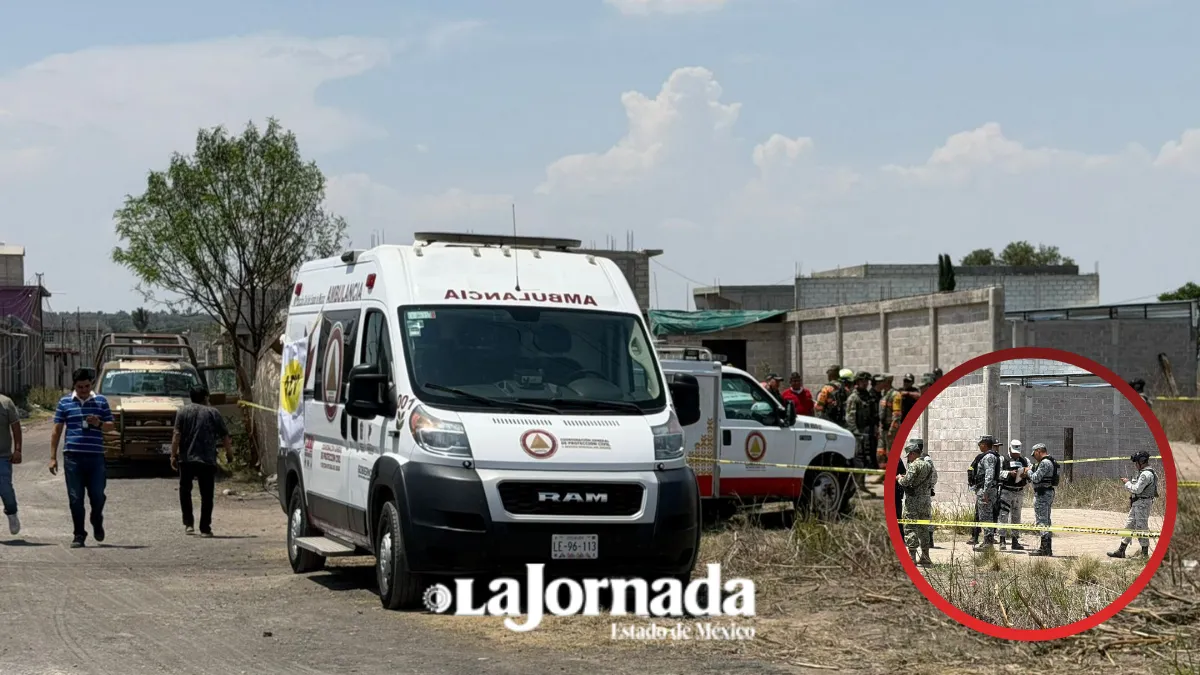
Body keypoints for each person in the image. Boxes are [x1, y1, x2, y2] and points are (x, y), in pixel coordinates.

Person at [50, 368, 116, 548]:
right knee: (75, 498)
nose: (84, 390)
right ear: (74, 385)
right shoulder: (65, 402)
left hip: (95, 457)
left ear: (91, 384)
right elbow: (57, 430)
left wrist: (99, 423)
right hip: (73, 457)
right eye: (80, 387)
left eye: (87, 386)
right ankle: (79, 534)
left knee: (97, 495)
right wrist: (52, 457)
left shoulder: (101, 401)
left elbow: (111, 427)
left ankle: (97, 518)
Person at [171, 385, 234, 537]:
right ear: (206, 397)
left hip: (186, 459)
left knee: (185, 491)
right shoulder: (213, 412)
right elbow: (225, 436)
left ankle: (188, 524)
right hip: (207, 459)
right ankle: (205, 528)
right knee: (207, 495)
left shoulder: (182, 412)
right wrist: (230, 454)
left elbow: (177, 435)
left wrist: (173, 454)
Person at [1108, 450, 1158, 559]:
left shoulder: (1146, 474)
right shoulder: (1145, 472)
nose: (1135, 465)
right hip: (1138, 503)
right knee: (1129, 525)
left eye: (1136, 463)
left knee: (1141, 527)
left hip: (1142, 503)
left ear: (1142, 461)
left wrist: (1127, 483)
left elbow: (1137, 489)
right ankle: (1121, 550)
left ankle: (1144, 553)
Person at [897, 438, 934, 566]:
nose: (909, 458)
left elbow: (906, 481)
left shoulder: (914, 465)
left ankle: (912, 557)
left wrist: (899, 479)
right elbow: (932, 481)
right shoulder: (928, 465)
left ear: (913, 453)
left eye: (909, 455)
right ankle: (925, 556)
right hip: (925, 501)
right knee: (924, 528)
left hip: (913, 502)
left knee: (910, 527)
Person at [1023, 442, 1057, 557]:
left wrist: (1028, 471)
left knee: (1042, 521)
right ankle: (1046, 548)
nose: (1034, 457)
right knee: (1046, 520)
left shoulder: (1045, 463)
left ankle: (1045, 549)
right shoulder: (1050, 461)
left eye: (1034, 454)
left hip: (1042, 494)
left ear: (1039, 451)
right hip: (1047, 492)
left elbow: (1036, 478)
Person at [844, 372, 875, 493]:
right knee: (858, 459)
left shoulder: (866, 396)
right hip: (857, 434)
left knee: (865, 459)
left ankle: (861, 484)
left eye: (867, 381)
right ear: (857, 382)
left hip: (866, 433)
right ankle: (855, 487)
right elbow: (850, 418)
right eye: (863, 381)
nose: (865, 383)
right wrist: (856, 433)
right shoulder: (854, 397)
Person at [971, 435, 1002, 551]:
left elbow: (989, 475)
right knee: (985, 515)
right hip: (986, 489)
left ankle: (988, 543)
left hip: (987, 491)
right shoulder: (988, 456)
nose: (979, 446)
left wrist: (985, 491)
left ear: (985, 444)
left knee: (986, 516)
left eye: (980, 444)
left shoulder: (989, 457)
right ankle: (987, 541)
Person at [998, 439, 1030, 551]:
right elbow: (998, 472)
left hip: (1019, 491)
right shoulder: (1003, 459)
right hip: (1006, 491)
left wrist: (1026, 473)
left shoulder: (1025, 460)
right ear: (1009, 450)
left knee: (1016, 516)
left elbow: (1030, 470)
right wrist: (1009, 473)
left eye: (1018, 453)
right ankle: (1002, 540)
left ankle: (1015, 541)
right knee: (1003, 516)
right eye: (1014, 453)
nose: (1016, 455)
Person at [0, 393, 22, 536]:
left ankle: (12, 512)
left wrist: (18, 450)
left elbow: (16, 428)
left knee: (5, 489)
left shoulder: (6, 403)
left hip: (2, 457)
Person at [890, 374, 920, 442]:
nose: (906, 383)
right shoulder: (900, 390)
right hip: (901, 420)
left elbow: (919, 396)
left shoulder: (914, 390)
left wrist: (907, 393)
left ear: (912, 382)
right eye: (905, 381)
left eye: (908, 381)